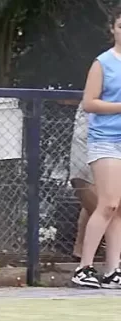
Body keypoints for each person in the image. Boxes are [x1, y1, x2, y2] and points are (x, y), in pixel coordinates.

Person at [72, 8, 121, 288]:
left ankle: (113, 271)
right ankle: (84, 268)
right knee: (108, 203)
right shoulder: (103, 62)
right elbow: (89, 102)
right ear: (112, 29)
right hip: (106, 140)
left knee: (120, 207)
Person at [68, 103, 97, 260]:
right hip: (94, 124)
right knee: (88, 188)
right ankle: (82, 252)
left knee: (106, 198)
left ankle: (82, 250)